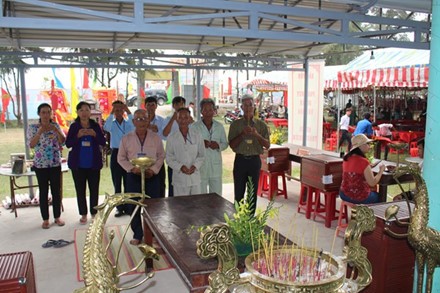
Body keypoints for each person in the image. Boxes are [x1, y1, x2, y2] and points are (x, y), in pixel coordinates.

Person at [117, 109, 165, 245]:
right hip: (134, 176)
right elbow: (120, 158)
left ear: (148, 120)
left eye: (144, 118)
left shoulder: (156, 137)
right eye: (138, 119)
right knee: (134, 205)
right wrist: (132, 169)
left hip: (152, 176)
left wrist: (154, 170)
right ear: (133, 122)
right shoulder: (126, 138)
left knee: (154, 206)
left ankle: (153, 233)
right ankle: (138, 234)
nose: (141, 122)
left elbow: (161, 156)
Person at [66, 101, 106, 225]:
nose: (84, 113)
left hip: (93, 164)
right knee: (80, 190)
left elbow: (103, 142)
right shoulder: (74, 126)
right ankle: (83, 214)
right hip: (78, 165)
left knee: (94, 189)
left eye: (86, 110)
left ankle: (94, 213)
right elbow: (68, 144)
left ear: (90, 112)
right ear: (77, 112)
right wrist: (77, 136)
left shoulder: (95, 125)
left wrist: (95, 134)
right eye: (81, 110)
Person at [228, 94, 270, 215]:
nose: (248, 108)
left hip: (254, 161)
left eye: (250, 105)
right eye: (245, 105)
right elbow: (232, 144)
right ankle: (238, 218)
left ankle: (250, 220)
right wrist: (242, 135)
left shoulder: (261, 125)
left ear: (254, 106)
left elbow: (267, 145)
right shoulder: (235, 125)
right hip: (240, 160)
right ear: (241, 107)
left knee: (252, 194)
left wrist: (257, 135)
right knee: (239, 192)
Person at [27, 103, 66, 229]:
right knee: (43, 192)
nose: (45, 115)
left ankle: (57, 217)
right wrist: (40, 132)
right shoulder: (33, 127)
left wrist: (56, 131)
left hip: (55, 163)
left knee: (56, 191)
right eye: (43, 112)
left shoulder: (55, 125)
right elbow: (31, 145)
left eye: (48, 112)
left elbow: (63, 141)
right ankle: (45, 219)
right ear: (39, 114)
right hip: (40, 165)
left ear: (51, 113)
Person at [103, 100, 134, 217]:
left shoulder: (128, 124)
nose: (119, 112)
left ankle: (129, 206)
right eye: (116, 110)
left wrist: (127, 109)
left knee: (128, 181)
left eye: (121, 109)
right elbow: (106, 127)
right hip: (116, 152)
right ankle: (119, 208)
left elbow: (134, 123)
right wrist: (112, 111)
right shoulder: (112, 124)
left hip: (127, 153)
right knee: (117, 182)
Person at [192, 99, 228, 195]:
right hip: (200, 167)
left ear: (214, 111)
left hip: (215, 167)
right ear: (201, 111)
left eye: (210, 109)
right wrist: (200, 144)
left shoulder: (219, 126)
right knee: (201, 196)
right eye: (205, 110)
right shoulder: (194, 127)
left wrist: (217, 146)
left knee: (216, 196)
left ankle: (216, 211)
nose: (208, 113)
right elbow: (189, 145)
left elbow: (225, 143)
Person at [166, 108, 205, 196]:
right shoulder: (171, 137)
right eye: (180, 118)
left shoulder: (197, 135)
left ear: (189, 119)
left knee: (196, 204)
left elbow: (202, 155)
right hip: (179, 179)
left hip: (194, 178)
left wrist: (195, 166)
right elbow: (169, 158)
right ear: (177, 119)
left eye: (185, 118)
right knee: (181, 206)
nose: (183, 121)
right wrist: (180, 167)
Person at [339, 134, 385, 204]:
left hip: (344, 194)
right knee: (380, 197)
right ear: (361, 146)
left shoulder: (346, 158)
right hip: (359, 196)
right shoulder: (363, 161)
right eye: (367, 144)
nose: (369, 146)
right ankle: (372, 214)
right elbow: (372, 182)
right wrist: (381, 170)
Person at [163, 96, 189, 197]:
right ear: (173, 106)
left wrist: (189, 120)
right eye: (177, 104)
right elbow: (165, 133)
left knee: (186, 183)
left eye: (182, 104)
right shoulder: (168, 118)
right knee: (172, 182)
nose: (179, 106)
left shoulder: (188, 118)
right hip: (173, 154)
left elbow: (195, 132)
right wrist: (174, 118)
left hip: (186, 154)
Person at [145, 96, 167, 197]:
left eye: (152, 105)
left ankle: (160, 205)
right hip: (144, 156)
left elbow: (165, 137)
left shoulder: (161, 120)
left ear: (156, 106)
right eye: (148, 105)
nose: (150, 107)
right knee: (145, 183)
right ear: (145, 106)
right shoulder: (141, 120)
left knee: (159, 182)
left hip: (157, 155)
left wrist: (157, 130)